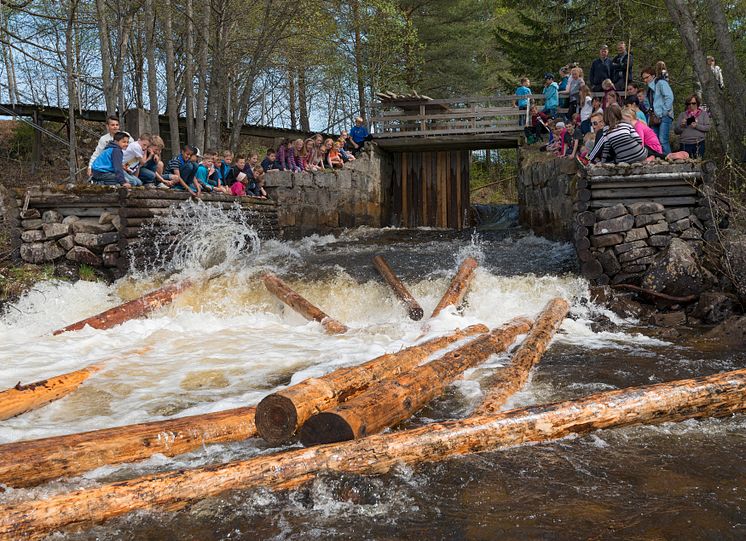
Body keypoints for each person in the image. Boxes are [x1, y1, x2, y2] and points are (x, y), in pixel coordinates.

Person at [642, 65, 674, 154]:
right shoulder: (648, 89)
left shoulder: (661, 83)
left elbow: (669, 97)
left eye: (646, 77)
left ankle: (668, 160)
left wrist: (664, 112)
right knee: (655, 141)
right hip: (654, 117)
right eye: (643, 78)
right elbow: (647, 103)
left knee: (663, 140)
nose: (645, 80)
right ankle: (660, 159)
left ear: (652, 76)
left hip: (664, 116)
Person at [674, 94, 711, 159]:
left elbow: (707, 128)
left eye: (693, 103)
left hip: (699, 143)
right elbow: (676, 131)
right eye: (689, 104)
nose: (691, 105)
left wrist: (697, 126)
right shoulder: (682, 115)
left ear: (697, 103)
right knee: (685, 165)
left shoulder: (703, 114)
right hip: (685, 144)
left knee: (698, 164)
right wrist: (682, 126)